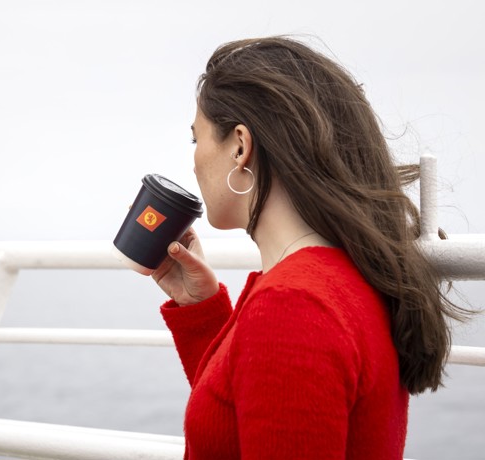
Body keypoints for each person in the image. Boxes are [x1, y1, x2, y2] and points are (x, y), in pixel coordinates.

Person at [151, 36, 469, 459]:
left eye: (198, 139)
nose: (193, 160)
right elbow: (246, 422)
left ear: (241, 147)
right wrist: (201, 311)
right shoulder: (345, 278)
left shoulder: (291, 304)